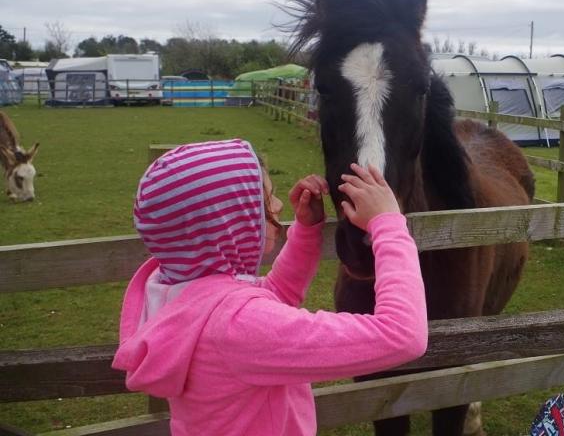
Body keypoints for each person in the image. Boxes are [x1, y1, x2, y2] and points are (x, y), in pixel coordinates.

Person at [112, 139, 427, 435]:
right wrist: (387, 222)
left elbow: (275, 296)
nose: (277, 205)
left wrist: (305, 230)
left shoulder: (177, 294)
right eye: (264, 200)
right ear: (227, 222)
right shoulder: (238, 325)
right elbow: (401, 335)